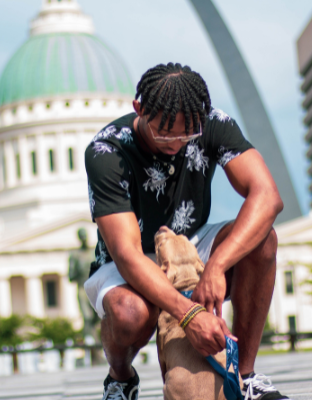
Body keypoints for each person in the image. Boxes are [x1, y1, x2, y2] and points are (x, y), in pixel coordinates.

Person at [84, 62, 288, 400]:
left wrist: (218, 265)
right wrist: (190, 314)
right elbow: (127, 254)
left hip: (191, 240)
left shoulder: (212, 123)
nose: (176, 143)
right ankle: (120, 378)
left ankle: (245, 376)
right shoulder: (107, 151)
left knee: (263, 241)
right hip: (130, 254)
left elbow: (268, 196)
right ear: (139, 109)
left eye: (187, 134)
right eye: (164, 133)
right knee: (129, 312)